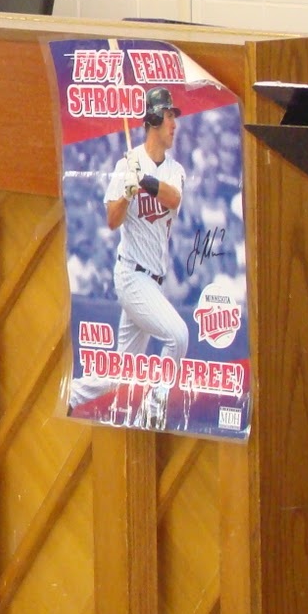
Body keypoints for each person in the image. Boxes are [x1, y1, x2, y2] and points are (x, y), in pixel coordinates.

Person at [68, 86, 190, 430]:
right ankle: (155, 405)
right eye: (168, 117)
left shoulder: (174, 169)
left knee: (122, 371)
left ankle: (71, 396)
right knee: (178, 336)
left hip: (154, 281)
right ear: (153, 119)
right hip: (132, 275)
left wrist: (145, 180)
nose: (174, 124)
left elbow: (173, 197)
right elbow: (112, 220)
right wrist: (127, 190)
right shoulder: (126, 164)